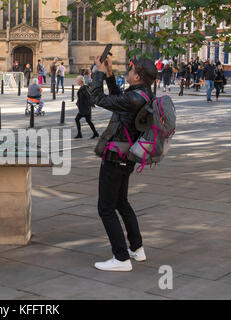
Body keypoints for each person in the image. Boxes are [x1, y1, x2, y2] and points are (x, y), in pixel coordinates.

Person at [90, 56, 157, 272]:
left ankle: (121, 258)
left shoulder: (135, 98)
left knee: (105, 208)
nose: (127, 73)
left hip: (116, 156)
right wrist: (109, 73)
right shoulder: (143, 94)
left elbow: (98, 98)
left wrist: (98, 72)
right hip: (127, 154)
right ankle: (137, 248)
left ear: (137, 76)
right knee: (121, 202)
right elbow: (119, 100)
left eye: (130, 71)